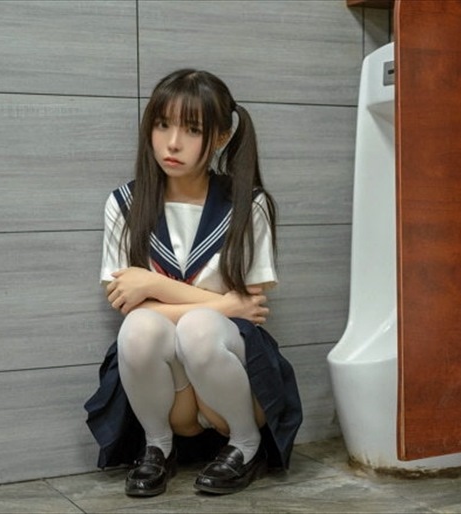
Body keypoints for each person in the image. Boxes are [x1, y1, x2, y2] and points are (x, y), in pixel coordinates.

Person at [84, 69, 302, 498]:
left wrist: (153, 284)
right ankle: (157, 446)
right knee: (138, 328)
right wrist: (226, 305)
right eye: (162, 125)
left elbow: (252, 306)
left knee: (199, 328)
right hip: (173, 392)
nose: (172, 143)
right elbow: (129, 305)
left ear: (220, 137)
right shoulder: (125, 204)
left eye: (192, 129)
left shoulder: (248, 204)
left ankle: (246, 444)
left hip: (229, 378)